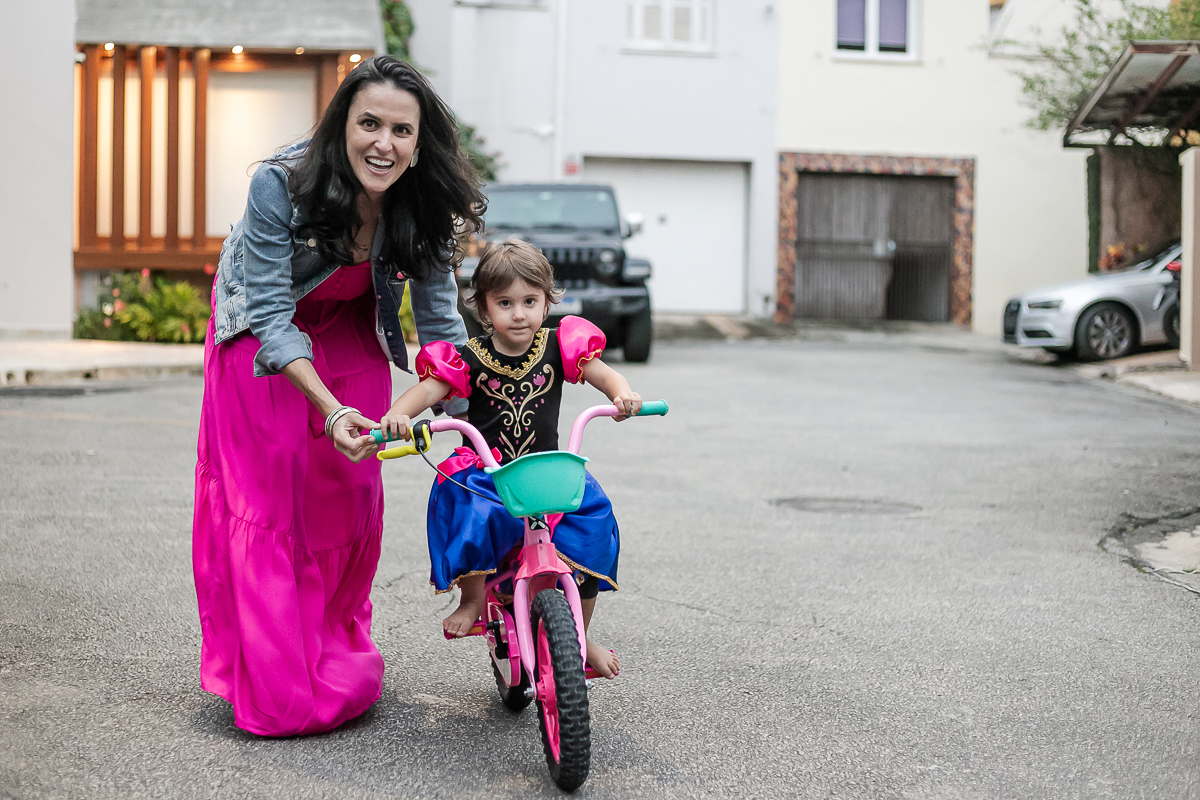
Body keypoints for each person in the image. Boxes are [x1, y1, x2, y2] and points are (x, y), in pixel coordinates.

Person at [192, 55, 484, 737]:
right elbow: (270, 313)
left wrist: (473, 423)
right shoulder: (280, 184)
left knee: (347, 494)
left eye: (401, 131)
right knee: (271, 502)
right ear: (341, 126)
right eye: (369, 124)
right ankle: (274, 676)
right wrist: (330, 410)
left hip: (351, 324)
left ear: (420, 144)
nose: (384, 143)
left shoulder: (423, 199)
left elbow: (440, 325)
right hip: (262, 338)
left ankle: (332, 649)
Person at [377, 239, 641, 679]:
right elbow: (428, 391)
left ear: (546, 302)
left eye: (529, 301)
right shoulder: (470, 357)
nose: (519, 314)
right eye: (505, 303)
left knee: (592, 518)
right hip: (491, 470)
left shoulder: (559, 345)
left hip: (545, 470)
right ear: (484, 308)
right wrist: (398, 415)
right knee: (467, 505)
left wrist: (622, 394)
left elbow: (603, 374)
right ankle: (473, 598)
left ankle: (580, 635)